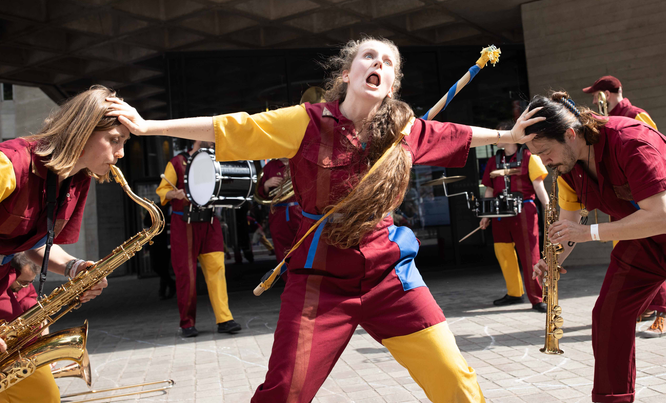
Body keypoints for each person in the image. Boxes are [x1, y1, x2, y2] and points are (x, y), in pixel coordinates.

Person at [108, 36, 543, 403]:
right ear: (347, 74)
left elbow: (459, 135)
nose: (378, 63)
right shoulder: (307, 122)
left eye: (388, 62)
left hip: (392, 277)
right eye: (368, 57)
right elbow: (233, 127)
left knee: (455, 380)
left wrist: (509, 136)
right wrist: (148, 128)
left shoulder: (402, 132)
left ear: (392, 85)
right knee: (284, 391)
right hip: (319, 282)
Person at [526, 91, 666, 403]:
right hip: (641, 237)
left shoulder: (629, 139)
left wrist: (589, 233)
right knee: (609, 314)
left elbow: (662, 219)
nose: (544, 162)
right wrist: (553, 258)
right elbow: (569, 227)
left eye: (546, 152)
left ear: (570, 134)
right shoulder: (567, 167)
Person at [0, 85, 118, 403]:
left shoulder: (76, 179)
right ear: (82, 131)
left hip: (10, 298)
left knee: (42, 396)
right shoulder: (9, 164)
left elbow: (32, 241)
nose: (120, 153)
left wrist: (73, 267)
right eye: (115, 140)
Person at [583, 76, 666, 337]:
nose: (593, 100)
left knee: (650, 252)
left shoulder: (636, 115)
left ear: (607, 94)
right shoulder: (602, 121)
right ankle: (645, 307)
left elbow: (657, 149)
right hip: (619, 201)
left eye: (595, 95)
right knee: (627, 255)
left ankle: (663, 311)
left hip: (641, 198)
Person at [155, 140, 242, 338]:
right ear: (194, 138)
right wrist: (174, 194)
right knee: (187, 275)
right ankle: (187, 323)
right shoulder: (177, 162)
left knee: (217, 271)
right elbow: (162, 191)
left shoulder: (216, 161)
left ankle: (224, 319)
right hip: (184, 224)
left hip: (210, 221)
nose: (211, 140)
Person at [479, 121, 549, 312]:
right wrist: (486, 215)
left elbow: (538, 187)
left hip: (524, 211)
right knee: (504, 253)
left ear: (510, 136)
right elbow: (489, 189)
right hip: (499, 213)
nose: (496, 138)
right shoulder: (493, 161)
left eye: (499, 134)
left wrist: (549, 208)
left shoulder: (529, 157)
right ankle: (514, 293)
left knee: (530, 255)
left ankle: (537, 298)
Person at [257, 158, 301, 267]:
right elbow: (259, 194)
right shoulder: (270, 167)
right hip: (278, 214)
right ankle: (288, 280)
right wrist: (266, 185)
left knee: (303, 247)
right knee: (282, 251)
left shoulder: (300, 162)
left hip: (300, 212)